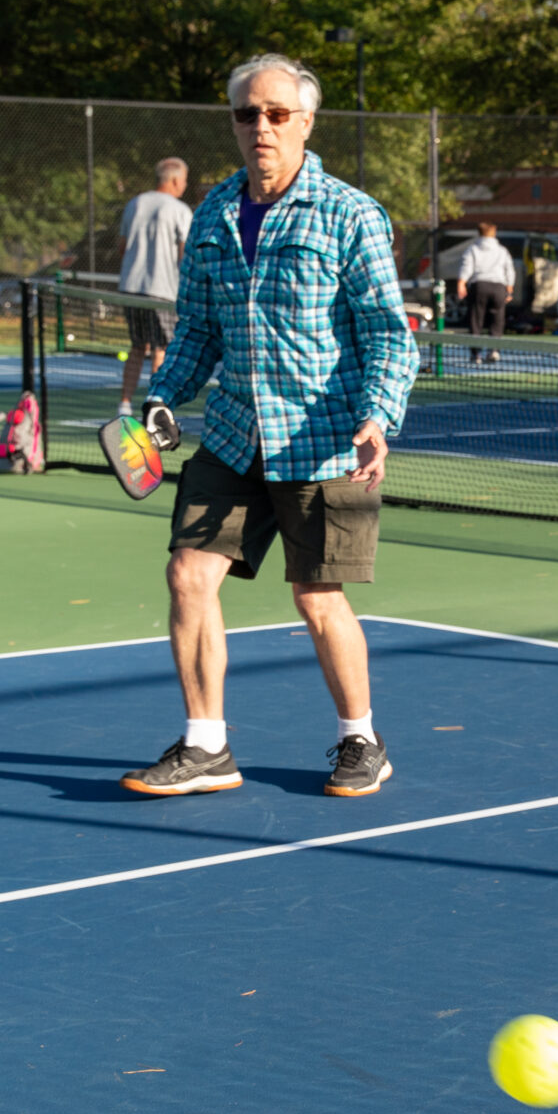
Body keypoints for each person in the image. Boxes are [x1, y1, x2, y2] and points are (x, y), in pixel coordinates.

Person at [120, 53, 418, 800]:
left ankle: (361, 740)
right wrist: (162, 400)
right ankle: (206, 745)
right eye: (247, 113)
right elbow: (196, 335)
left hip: (325, 441)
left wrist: (378, 414)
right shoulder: (214, 213)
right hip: (231, 435)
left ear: (306, 122)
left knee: (317, 596)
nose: (261, 126)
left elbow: (388, 331)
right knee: (188, 575)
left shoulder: (352, 214)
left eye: (277, 113)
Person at [117, 158, 193, 415]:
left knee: (138, 347)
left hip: (131, 288)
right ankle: (155, 407)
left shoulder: (134, 203)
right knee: (161, 349)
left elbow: (122, 247)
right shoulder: (180, 210)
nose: (184, 185)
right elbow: (186, 255)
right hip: (161, 292)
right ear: (173, 180)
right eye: (183, 180)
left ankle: (124, 406)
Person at [454, 222, 515, 364]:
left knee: (476, 320)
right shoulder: (502, 250)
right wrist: (509, 288)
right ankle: (494, 351)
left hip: (479, 287)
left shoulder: (473, 249)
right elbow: (509, 270)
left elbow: (466, 266)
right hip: (498, 288)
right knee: (497, 320)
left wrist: (461, 283)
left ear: (479, 233)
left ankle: (476, 355)